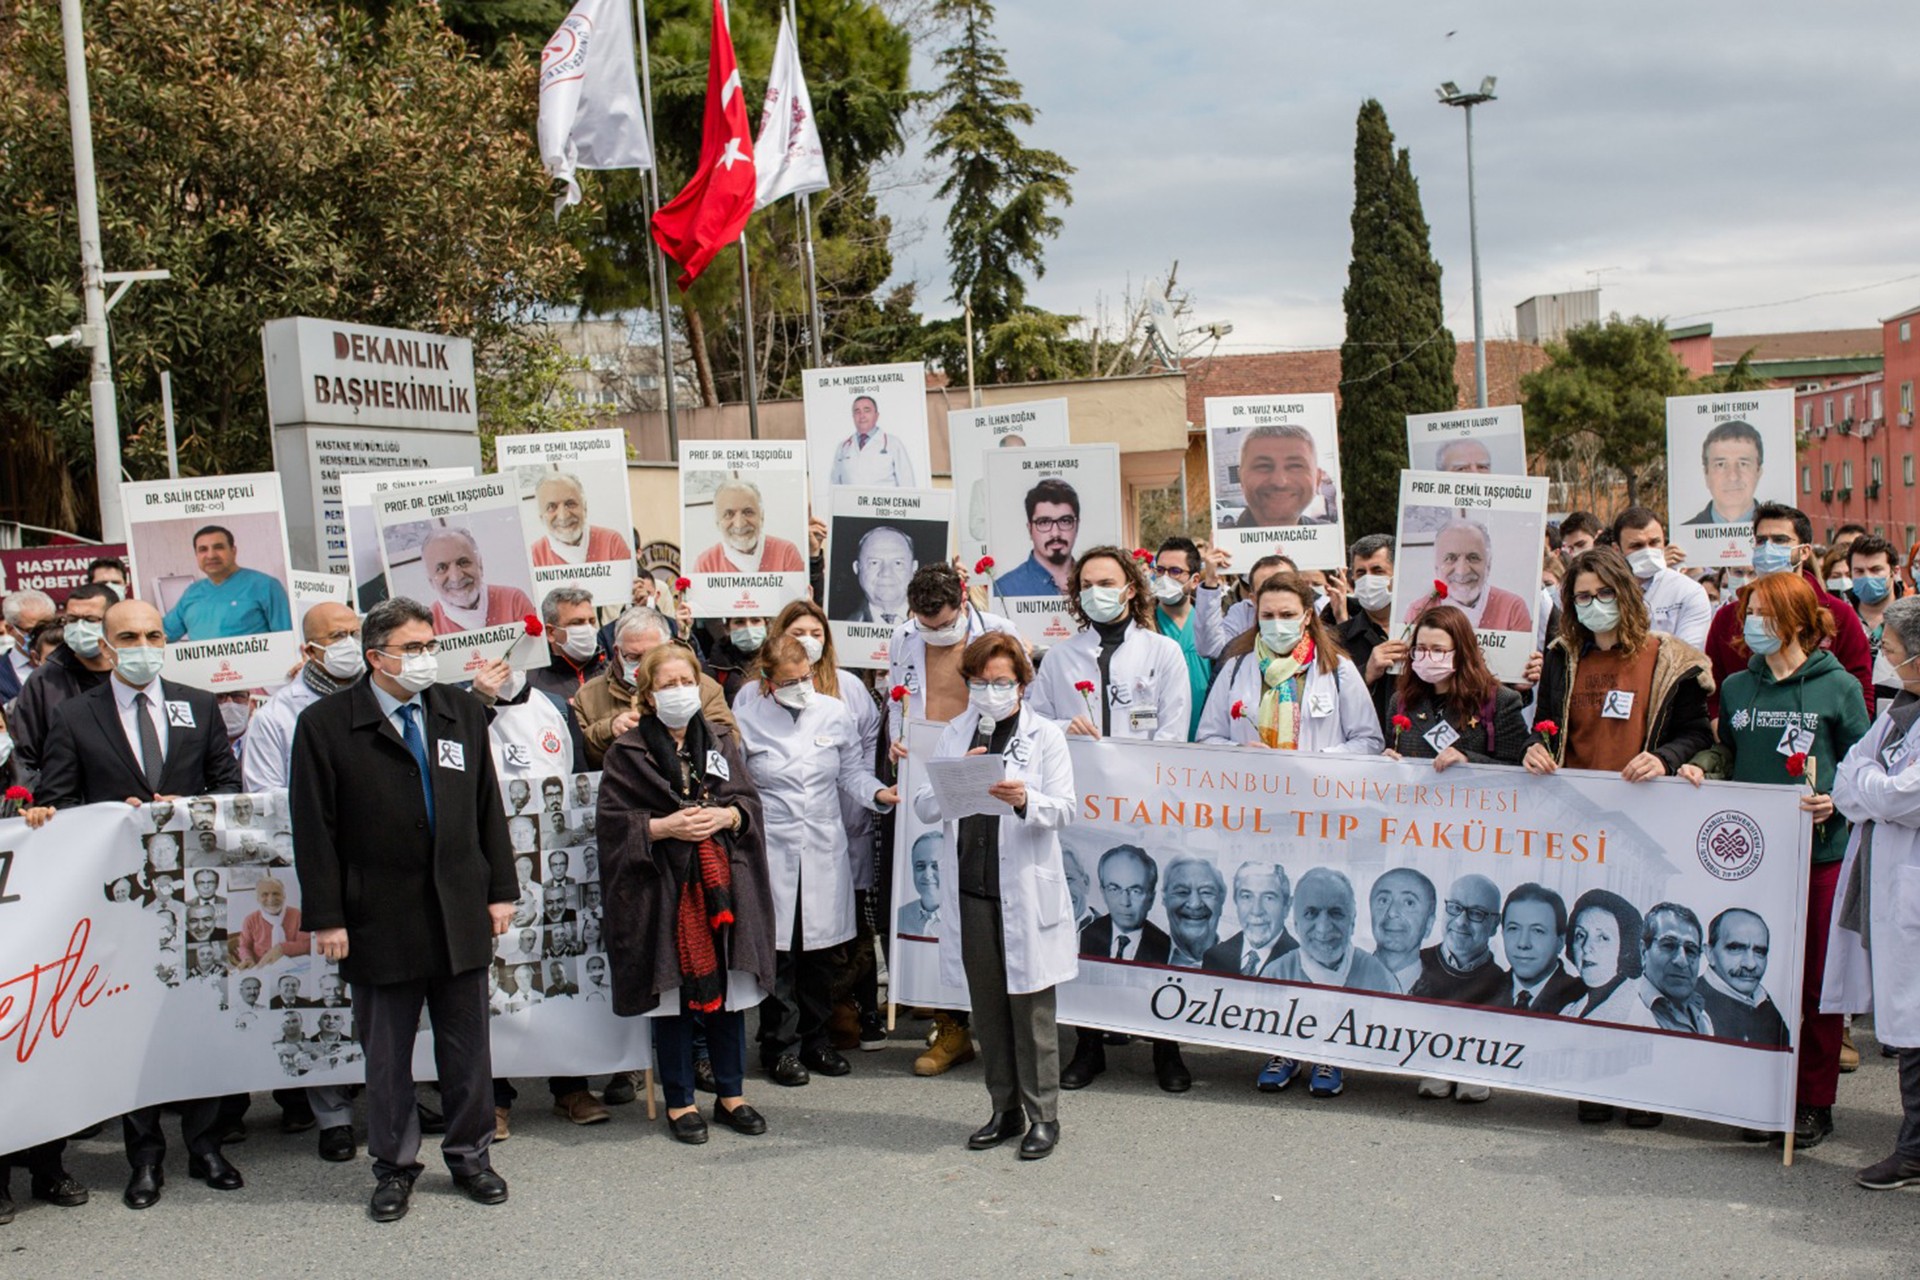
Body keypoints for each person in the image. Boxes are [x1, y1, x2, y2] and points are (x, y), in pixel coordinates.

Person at [289, 596, 518, 1222]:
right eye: (412, 648)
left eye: (429, 645)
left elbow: (484, 807)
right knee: (387, 1056)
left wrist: (500, 890)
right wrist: (328, 917)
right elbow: (314, 829)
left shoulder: (460, 711)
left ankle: (471, 1157)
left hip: (458, 907)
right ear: (375, 657)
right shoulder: (328, 725)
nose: (425, 658)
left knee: (467, 1048)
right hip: (376, 915)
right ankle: (394, 1166)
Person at [25, 597, 243, 1208]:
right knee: (133, 1027)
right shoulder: (74, 716)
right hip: (121, 901)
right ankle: (144, 1157)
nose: (144, 644)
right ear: (107, 644)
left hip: (193, 893)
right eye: (131, 635)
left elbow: (229, 787)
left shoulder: (198, 705)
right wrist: (105, 818)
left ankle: (206, 1146)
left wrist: (184, 809)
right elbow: (58, 800)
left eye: (154, 633)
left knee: (198, 1019)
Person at [1681, 569, 1870, 1149]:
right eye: (1747, 613)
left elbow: (1864, 765)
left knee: (1815, 982)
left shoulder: (1837, 687)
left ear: (1793, 619)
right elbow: (1727, 751)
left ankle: (1814, 1100)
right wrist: (1703, 767)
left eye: (1762, 612)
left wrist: (1834, 798)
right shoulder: (1737, 687)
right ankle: (1763, 1093)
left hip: (1821, 857)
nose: (1751, 624)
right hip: (1755, 863)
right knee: (1759, 979)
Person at [594, 643, 777, 1147]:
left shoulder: (718, 739)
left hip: (722, 887)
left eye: (686, 681)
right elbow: (612, 828)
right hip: (664, 890)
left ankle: (732, 1095)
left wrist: (727, 816)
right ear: (648, 695)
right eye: (667, 684)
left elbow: (747, 803)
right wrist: (662, 826)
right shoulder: (627, 753)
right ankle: (680, 1101)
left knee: (727, 997)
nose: (679, 692)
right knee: (674, 996)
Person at [912, 631, 1076, 1159]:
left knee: (1031, 1012)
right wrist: (953, 781)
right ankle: (1002, 1109)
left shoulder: (1045, 735)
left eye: (1001, 681)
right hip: (972, 887)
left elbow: (1065, 809)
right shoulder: (956, 732)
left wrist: (1027, 798)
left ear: (1022, 684)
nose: (990, 691)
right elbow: (922, 805)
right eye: (980, 682)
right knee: (987, 1009)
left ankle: (1043, 1116)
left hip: (1024, 889)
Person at [735, 635, 895, 1084]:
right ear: (767, 682)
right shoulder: (746, 721)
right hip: (774, 851)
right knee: (780, 956)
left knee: (822, 954)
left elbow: (851, 774)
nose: (801, 686)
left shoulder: (833, 712)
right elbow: (740, 788)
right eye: (789, 681)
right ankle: (779, 1048)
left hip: (824, 848)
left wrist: (880, 794)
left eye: (805, 677)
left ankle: (816, 1041)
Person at [1825, 594, 1920, 1189]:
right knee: (1910, 1025)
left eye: (1891, 651)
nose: (1883, 659)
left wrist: (1871, 788)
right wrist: (1871, 786)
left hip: (1907, 880)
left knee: (1916, 1022)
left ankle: (1913, 1152)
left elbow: (1897, 798)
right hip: (1889, 877)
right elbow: (1846, 780)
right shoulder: (1901, 710)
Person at [0, 701, 90, 1225]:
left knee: (38, 1055)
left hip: (31, 948)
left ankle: (48, 1167)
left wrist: (44, 820)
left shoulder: (24, 783)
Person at [1524, 548, 1714, 784]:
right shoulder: (1560, 655)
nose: (1595, 603)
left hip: (1641, 798)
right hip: (1570, 797)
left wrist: (1663, 759)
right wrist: (1535, 747)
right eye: (1583, 596)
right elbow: (1544, 725)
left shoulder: (1672, 660)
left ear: (1625, 593)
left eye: (1605, 593)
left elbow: (1697, 733)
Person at [1702, 504, 1872, 719]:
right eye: (1761, 541)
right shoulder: (1728, 617)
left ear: (1804, 551)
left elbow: (1860, 688)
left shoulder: (1839, 614)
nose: (1768, 549)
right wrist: (1723, 731)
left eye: (1780, 540)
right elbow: (1712, 689)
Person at [1196, 572, 1381, 754]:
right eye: (1268, 615)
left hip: (1317, 781)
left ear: (1307, 616)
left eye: (1287, 615)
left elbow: (1369, 740)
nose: (1277, 624)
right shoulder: (1235, 668)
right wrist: (1240, 752)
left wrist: (1323, 759)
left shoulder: (1337, 667)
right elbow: (1207, 737)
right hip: (1253, 781)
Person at [1028, 546, 1190, 747]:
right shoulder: (1059, 656)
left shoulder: (1164, 651)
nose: (1095, 593)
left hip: (1143, 772)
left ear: (1130, 590)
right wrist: (1064, 727)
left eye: (1106, 584)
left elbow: (1173, 730)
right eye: (1087, 586)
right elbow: (1035, 722)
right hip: (1078, 771)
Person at [1064, 844, 1191, 1094]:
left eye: (1135, 890)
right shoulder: (1087, 935)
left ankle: (1166, 1052)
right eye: (1114, 888)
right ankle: (1089, 1049)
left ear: (1151, 895)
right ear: (1102, 890)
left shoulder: (1164, 945)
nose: (1125, 901)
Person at [574, 607, 733, 768]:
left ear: (669, 646)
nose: (644, 665)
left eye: (653, 655)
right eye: (634, 657)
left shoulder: (702, 687)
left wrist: (682, 726)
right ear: (617, 651)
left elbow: (729, 742)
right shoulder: (589, 695)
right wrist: (609, 730)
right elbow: (582, 758)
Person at [1382, 606, 1529, 772]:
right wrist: (1386, 761)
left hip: (1471, 796)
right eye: (1421, 649)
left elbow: (1517, 768)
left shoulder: (1499, 701)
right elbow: (1392, 751)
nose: (1428, 656)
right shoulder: (1401, 701)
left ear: (1461, 652)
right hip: (1416, 796)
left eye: (1438, 650)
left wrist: (1468, 760)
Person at [1406, 874, 1505, 1104]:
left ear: (1494, 925)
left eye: (1477, 913)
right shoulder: (1415, 964)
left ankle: (1473, 1070)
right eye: (1454, 908)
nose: (1461, 921)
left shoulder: (1503, 982)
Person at [9, 583, 116, 777]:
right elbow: (24, 757)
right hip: (63, 800)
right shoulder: (43, 681)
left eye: (91, 619)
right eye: (72, 619)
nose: (80, 627)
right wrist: (37, 802)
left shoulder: (132, 673)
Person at [1582, 903, 1714, 1037]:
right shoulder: (1619, 1014)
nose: (1682, 961)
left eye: (1690, 950)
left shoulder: (1702, 1018)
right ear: (1643, 951)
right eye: (1668, 945)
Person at [160, 524, 292, 641]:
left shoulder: (266, 586)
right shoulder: (192, 592)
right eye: (203, 549)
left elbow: (287, 638)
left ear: (233, 551)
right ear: (196, 555)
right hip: (202, 668)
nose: (211, 555)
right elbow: (164, 634)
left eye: (219, 547)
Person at [1401, 519, 1532, 632]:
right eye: (1450, 558)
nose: (1462, 571)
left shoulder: (1513, 608)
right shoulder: (1418, 612)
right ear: (1436, 567)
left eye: (1473, 557)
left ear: (1488, 565)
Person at [1611, 507, 1711, 648]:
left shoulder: (1689, 592)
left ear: (1664, 541)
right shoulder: (1604, 591)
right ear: (1617, 550)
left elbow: (1689, 653)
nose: (1647, 551)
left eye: (1654, 543)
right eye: (1636, 546)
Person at [1147, 537, 1213, 739]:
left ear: (1194, 580)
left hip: (1205, 737)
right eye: (1160, 570)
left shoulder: (1209, 625)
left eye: (1175, 571)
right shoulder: (1144, 625)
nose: (1165, 577)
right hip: (1160, 739)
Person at [419, 527, 536, 636]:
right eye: (441, 568)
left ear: (480, 565)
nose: (456, 577)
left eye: (463, 562)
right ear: (430, 580)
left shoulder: (513, 600)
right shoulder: (428, 624)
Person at [1697, 909, 1789, 1046]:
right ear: (1709, 953)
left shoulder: (1767, 1007)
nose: (1750, 964)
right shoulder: (1686, 1006)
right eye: (1736, 948)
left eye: (1760, 952)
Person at [1495, 884, 1582, 1013]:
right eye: (1513, 928)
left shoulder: (1581, 998)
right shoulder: (1485, 990)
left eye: (1537, 931)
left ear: (1560, 941)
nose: (1523, 943)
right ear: (1503, 934)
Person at [1224, 425, 1331, 527]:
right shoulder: (1222, 540)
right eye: (1263, 466)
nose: (1279, 482)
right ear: (1241, 478)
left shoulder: (1331, 538)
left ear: (1317, 479)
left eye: (1295, 466)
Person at [692, 478, 806, 574]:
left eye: (748, 512)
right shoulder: (705, 564)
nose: (740, 524)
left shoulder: (786, 553)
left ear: (762, 516)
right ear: (717, 522)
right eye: (729, 514)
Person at [993, 479, 1080, 598]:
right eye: (1044, 522)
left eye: (1065, 521)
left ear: (1077, 525)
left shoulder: (1096, 582)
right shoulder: (1004, 589)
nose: (1055, 534)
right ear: (1029, 529)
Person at [528, 472, 632, 567]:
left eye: (570, 504)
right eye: (551, 507)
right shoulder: (534, 556)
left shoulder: (612, 542)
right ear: (541, 516)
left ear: (585, 507)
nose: (563, 516)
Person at [1846, 535, 1902, 707]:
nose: (1867, 577)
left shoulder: (1913, 615)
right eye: (1859, 571)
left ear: (1894, 571)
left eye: (1876, 570)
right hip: (1849, 709)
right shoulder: (1838, 616)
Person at [1366, 867, 1437, 995]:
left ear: (1429, 924)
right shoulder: (1340, 980)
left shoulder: (1450, 997)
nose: (1392, 912)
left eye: (1409, 903)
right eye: (1383, 900)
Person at [1683, 418, 1764, 525]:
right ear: (1706, 475)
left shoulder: (1783, 531)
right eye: (1720, 465)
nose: (1733, 476)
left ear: (1758, 473)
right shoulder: (1684, 535)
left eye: (1743, 464)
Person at [829, 394, 917, 489]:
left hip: (884, 503)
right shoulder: (843, 447)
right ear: (853, 417)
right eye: (857, 412)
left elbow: (907, 485)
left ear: (876, 415)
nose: (862, 416)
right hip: (850, 503)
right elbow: (834, 486)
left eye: (867, 410)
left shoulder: (893, 444)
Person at [1162, 856, 1226, 968]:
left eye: (1206, 892)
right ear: (1164, 898)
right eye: (1182, 892)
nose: (1195, 904)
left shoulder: (1242, 966)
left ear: (1222, 900)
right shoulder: (1141, 955)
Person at [845, 526, 916, 626]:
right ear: (857, 567)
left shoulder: (935, 624)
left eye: (898, 563)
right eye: (874, 563)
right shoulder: (835, 625)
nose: (886, 573)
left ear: (914, 568)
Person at [234, 876, 308, 967]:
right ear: (258, 898)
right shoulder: (250, 920)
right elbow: (244, 946)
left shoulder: (298, 915)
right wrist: (248, 958)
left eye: (276, 893)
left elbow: (306, 944)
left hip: (294, 964)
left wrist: (282, 948)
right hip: (263, 966)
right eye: (265, 894)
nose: (271, 899)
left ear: (284, 896)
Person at [0, 587, 54, 703]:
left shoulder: (72, 663)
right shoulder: (2, 674)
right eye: (32, 631)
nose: (41, 636)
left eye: (47, 628)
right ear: (10, 629)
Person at [897, 831, 943, 934]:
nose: (927, 875)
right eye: (920, 866)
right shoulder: (900, 916)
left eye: (936, 866)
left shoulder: (964, 916)